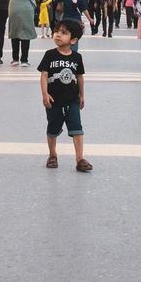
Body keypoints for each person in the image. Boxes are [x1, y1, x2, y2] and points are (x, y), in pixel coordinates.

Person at [39, 19, 91, 172]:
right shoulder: (49, 55)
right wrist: (44, 94)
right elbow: (43, 75)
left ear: (73, 40)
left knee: (77, 128)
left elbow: (80, 77)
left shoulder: (77, 57)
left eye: (63, 33)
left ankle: (80, 159)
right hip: (54, 100)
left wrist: (82, 95)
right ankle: (52, 155)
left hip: (72, 100)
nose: (57, 35)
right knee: (53, 129)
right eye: (56, 31)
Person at [5, 0, 40, 67]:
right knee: (26, 32)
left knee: (15, 32)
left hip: (14, 7)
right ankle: (24, 60)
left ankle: (15, 59)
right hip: (27, 8)